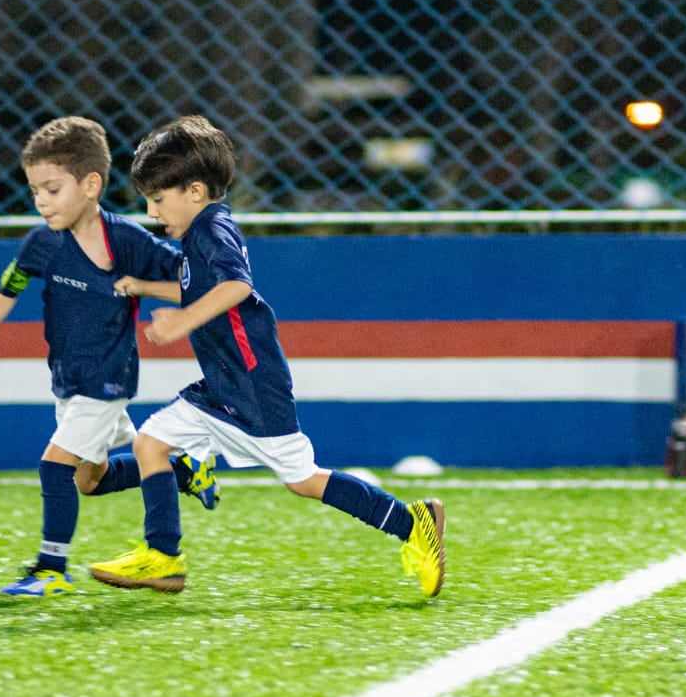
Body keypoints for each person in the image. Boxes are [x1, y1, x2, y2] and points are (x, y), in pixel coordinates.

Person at [92, 115, 445, 597]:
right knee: (150, 442)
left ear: (194, 191)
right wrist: (149, 287)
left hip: (251, 384)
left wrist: (183, 321)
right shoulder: (200, 234)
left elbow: (237, 286)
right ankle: (162, 557)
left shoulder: (212, 230)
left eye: (157, 199)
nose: (152, 212)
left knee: (303, 480)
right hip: (224, 383)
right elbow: (199, 286)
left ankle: (412, 522)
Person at [0, 116, 219, 598]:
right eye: (35, 190)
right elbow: (6, 290)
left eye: (52, 189)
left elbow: (192, 281)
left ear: (91, 184)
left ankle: (51, 569)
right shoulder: (41, 243)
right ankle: (184, 470)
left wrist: (150, 290)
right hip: (68, 380)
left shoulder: (129, 242)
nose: (40, 201)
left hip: (108, 378)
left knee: (53, 466)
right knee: (88, 481)